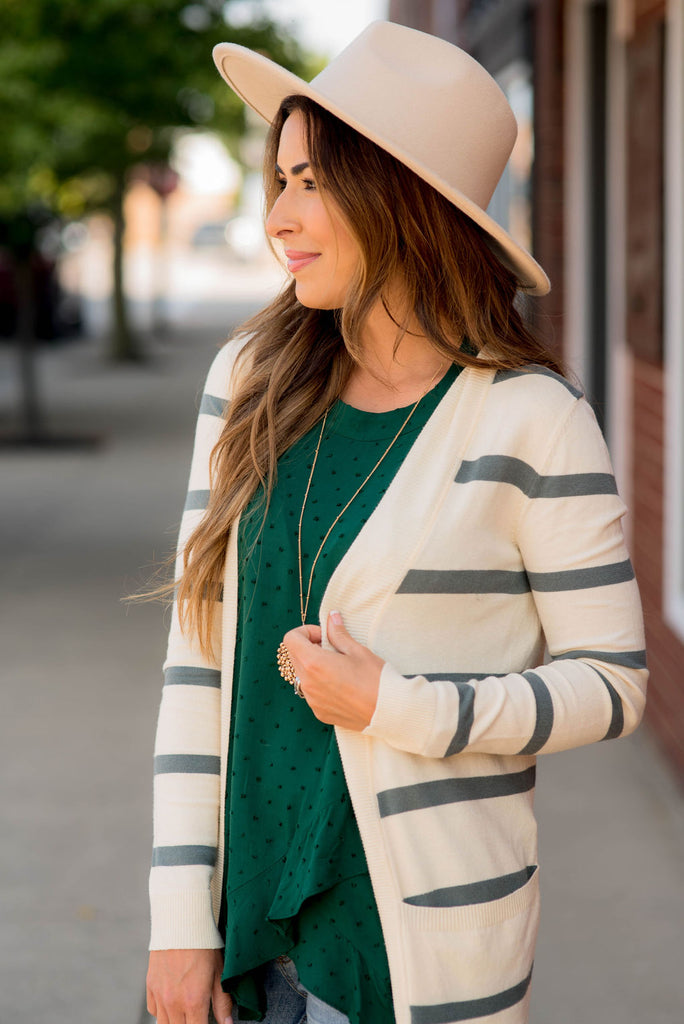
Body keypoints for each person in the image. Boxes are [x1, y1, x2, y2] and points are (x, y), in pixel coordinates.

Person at [145, 21, 647, 1024]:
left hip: (415, 944)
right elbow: (198, 664)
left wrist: (401, 704)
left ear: (402, 198)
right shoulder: (248, 382)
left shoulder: (533, 422)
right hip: (245, 931)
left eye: (312, 182)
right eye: (278, 179)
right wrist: (176, 920)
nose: (278, 216)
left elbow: (613, 683)